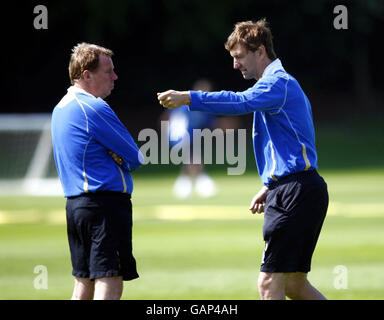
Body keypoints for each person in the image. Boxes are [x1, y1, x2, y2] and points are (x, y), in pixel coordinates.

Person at [157, 19, 329, 300]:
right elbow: (294, 143)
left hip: (295, 193)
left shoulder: (278, 84)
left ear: (260, 51)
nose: (235, 65)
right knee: (294, 286)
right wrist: (272, 183)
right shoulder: (278, 86)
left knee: (268, 284)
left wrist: (189, 98)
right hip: (297, 187)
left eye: (239, 57)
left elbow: (240, 102)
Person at [51, 43, 144, 300]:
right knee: (110, 278)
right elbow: (136, 157)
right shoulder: (93, 107)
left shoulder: (60, 108)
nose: (114, 77)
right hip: (104, 205)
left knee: (83, 282)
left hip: (76, 207)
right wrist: (118, 157)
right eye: (108, 72)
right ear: (86, 75)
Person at [162, 79, 218, 199]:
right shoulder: (196, 107)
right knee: (193, 158)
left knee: (191, 157)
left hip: (176, 135)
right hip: (182, 135)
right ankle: (200, 182)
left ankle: (185, 183)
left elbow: (165, 117)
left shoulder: (184, 102)